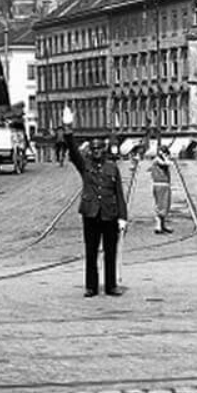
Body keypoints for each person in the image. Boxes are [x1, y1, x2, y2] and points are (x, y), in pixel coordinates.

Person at [64, 115, 127, 297]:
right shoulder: (85, 165)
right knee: (90, 252)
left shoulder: (112, 167)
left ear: (104, 150)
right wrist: (68, 132)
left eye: (99, 148)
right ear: (89, 151)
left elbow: (119, 193)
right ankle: (91, 286)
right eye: (93, 149)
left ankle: (110, 285)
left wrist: (123, 217)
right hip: (91, 213)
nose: (96, 151)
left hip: (110, 213)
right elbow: (74, 152)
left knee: (110, 252)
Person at [150, 144, 174, 234]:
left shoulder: (159, 159)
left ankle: (162, 226)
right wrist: (165, 157)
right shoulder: (157, 159)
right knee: (160, 206)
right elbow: (166, 163)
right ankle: (158, 227)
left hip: (164, 185)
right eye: (166, 153)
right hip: (160, 185)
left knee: (165, 206)